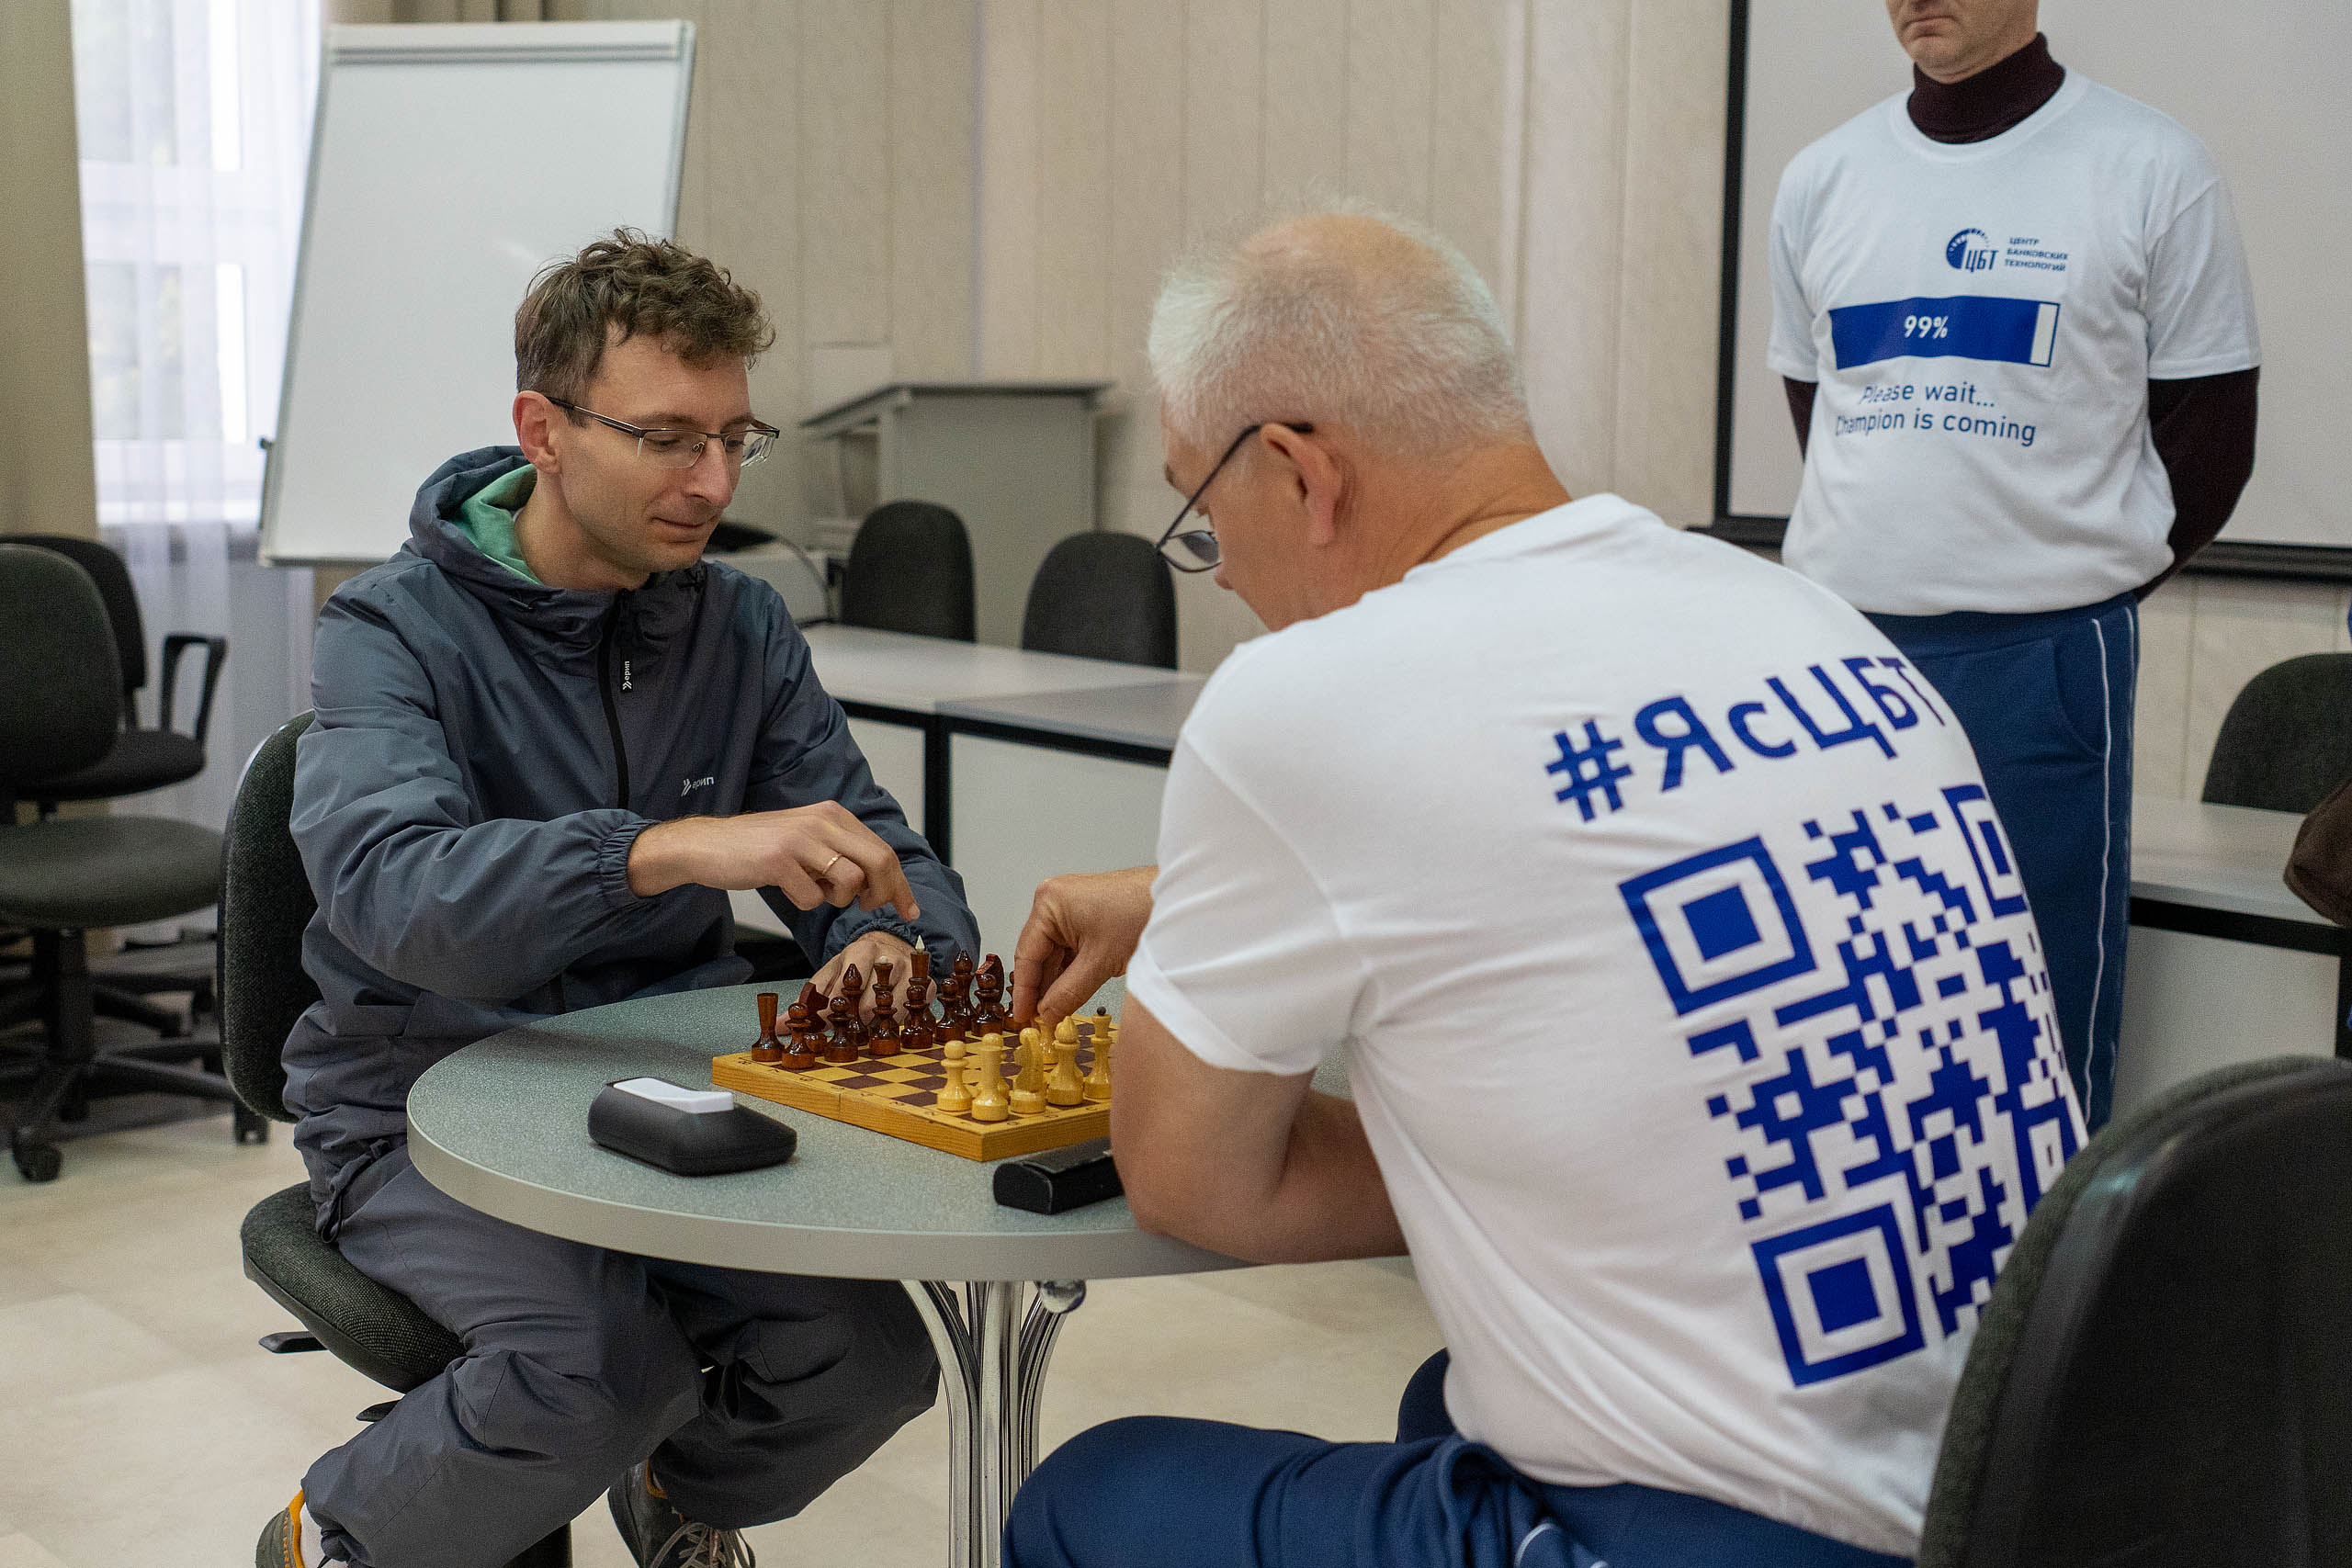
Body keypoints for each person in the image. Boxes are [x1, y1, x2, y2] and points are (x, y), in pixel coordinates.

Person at [1001, 209, 2086, 1568]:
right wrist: (1195, 896)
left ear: (1296, 470)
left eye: (1201, 518)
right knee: (1437, 1399)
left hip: (1741, 1536)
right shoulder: (1803, 617)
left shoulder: (1305, 697)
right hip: (2036, 1487)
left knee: (1088, 1497)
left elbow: (1197, 1179)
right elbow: (1598, 851)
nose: (1220, 577)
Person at [257, 231, 978, 1568]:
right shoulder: (390, 626)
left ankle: (673, 1488)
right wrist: (667, 848)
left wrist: (882, 933)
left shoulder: (738, 625)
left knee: (869, 1359)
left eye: (734, 438)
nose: (713, 482)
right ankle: (335, 1529)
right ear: (543, 431)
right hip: (420, 1099)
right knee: (594, 1367)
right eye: (666, 438)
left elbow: (866, 841)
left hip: (660, 1085)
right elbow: (395, 893)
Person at [1768, 0, 2260, 1129]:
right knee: (1856, 1010)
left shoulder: (2150, 168)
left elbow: (2210, 441)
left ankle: (2040, 1253)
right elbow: (1827, 417)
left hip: (2040, 659)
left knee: (2032, 1020)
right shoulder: (1821, 178)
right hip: (1845, 660)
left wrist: (2058, 570)